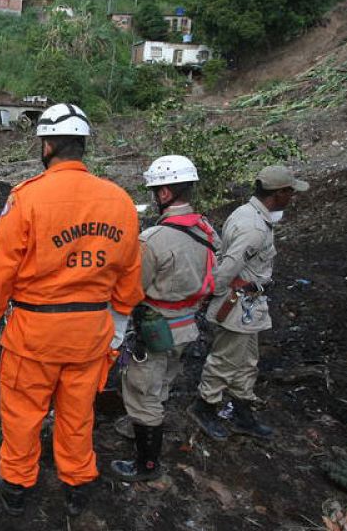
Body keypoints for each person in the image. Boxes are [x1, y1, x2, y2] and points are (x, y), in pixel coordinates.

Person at [0, 103, 144, 517]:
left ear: (47, 145)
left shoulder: (26, 198)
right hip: (91, 333)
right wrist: (119, 320)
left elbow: (1, 270)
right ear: (82, 145)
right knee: (77, 413)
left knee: (22, 414)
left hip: (35, 333)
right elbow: (129, 272)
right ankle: (78, 483)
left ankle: (16, 484)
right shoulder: (119, 200)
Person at [110, 155, 219, 482]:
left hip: (156, 329)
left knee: (143, 394)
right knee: (162, 384)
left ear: (165, 193)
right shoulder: (206, 229)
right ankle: (146, 426)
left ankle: (147, 465)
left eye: (156, 190)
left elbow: (132, 290)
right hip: (186, 325)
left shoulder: (153, 240)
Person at [189, 165, 308, 440]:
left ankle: (242, 410)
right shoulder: (254, 228)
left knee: (246, 361)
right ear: (278, 193)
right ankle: (204, 407)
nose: (292, 197)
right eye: (290, 192)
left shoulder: (248, 214)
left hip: (249, 303)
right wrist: (209, 297)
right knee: (225, 360)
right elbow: (228, 267)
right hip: (238, 304)